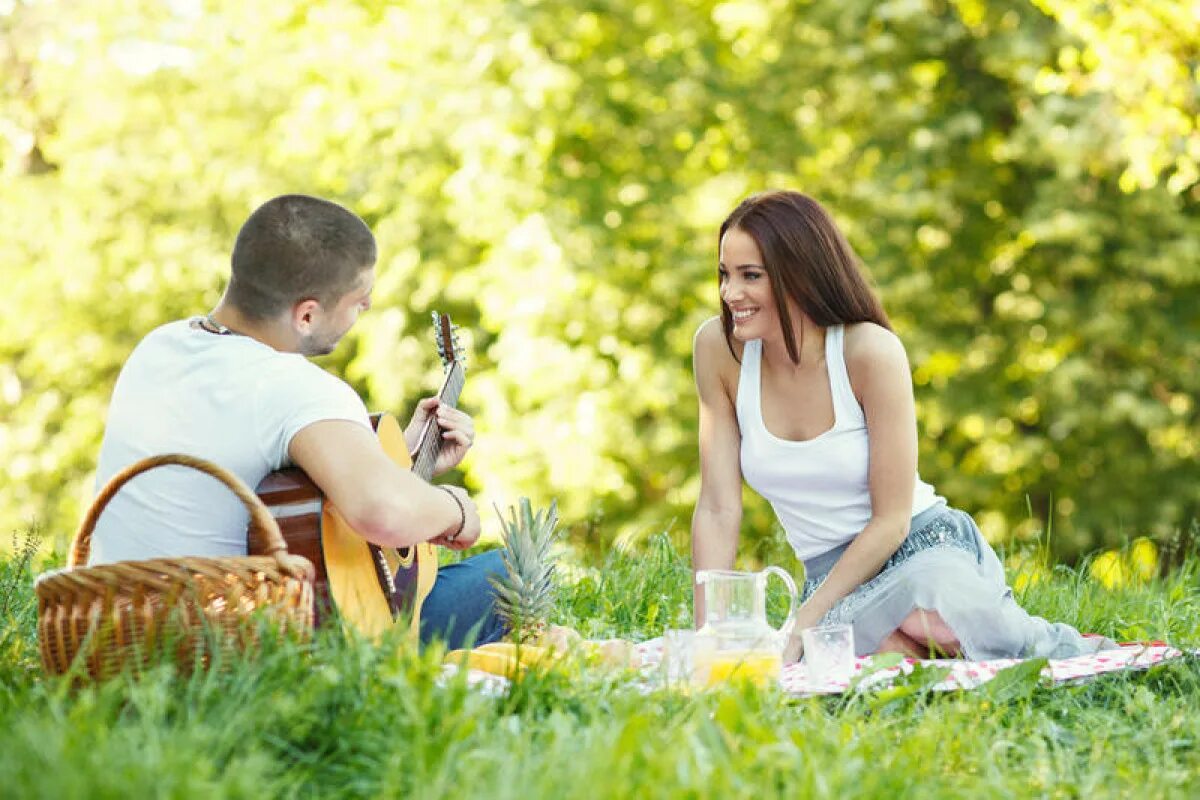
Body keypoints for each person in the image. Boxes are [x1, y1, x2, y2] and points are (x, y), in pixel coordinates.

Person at [690, 189, 1114, 661]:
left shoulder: (869, 351)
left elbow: (890, 521)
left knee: (937, 623)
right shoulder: (718, 349)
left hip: (919, 545)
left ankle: (1073, 649)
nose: (731, 294)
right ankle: (906, 642)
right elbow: (716, 508)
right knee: (890, 649)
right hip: (835, 577)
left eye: (751, 276)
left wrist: (801, 624)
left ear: (799, 274)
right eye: (725, 274)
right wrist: (709, 640)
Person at [89, 193, 505, 649]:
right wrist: (457, 508)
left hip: (114, 629)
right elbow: (383, 513)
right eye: (360, 301)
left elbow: (281, 489)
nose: (365, 309)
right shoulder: (297, 388)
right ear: (307, 314)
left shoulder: (158, 347)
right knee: (503, 571)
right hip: (234, 647)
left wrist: (399, 458)